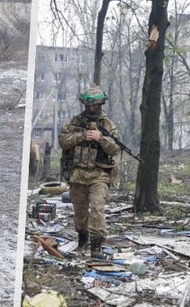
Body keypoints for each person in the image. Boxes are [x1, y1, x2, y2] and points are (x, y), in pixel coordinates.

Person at [58, 87, 120, 260]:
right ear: (84, 102)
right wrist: (82, 136)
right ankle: (82, 241)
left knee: (97, 208)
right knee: (80, 211)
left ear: (101, 103)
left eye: (95, 102)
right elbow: (63, 141)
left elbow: (115, 149)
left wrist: (100, 138)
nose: (91, 106)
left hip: (99, 174)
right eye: (88, 102)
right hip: (77, 173)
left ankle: (96, 246)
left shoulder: (107, 124)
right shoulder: (74, 122)